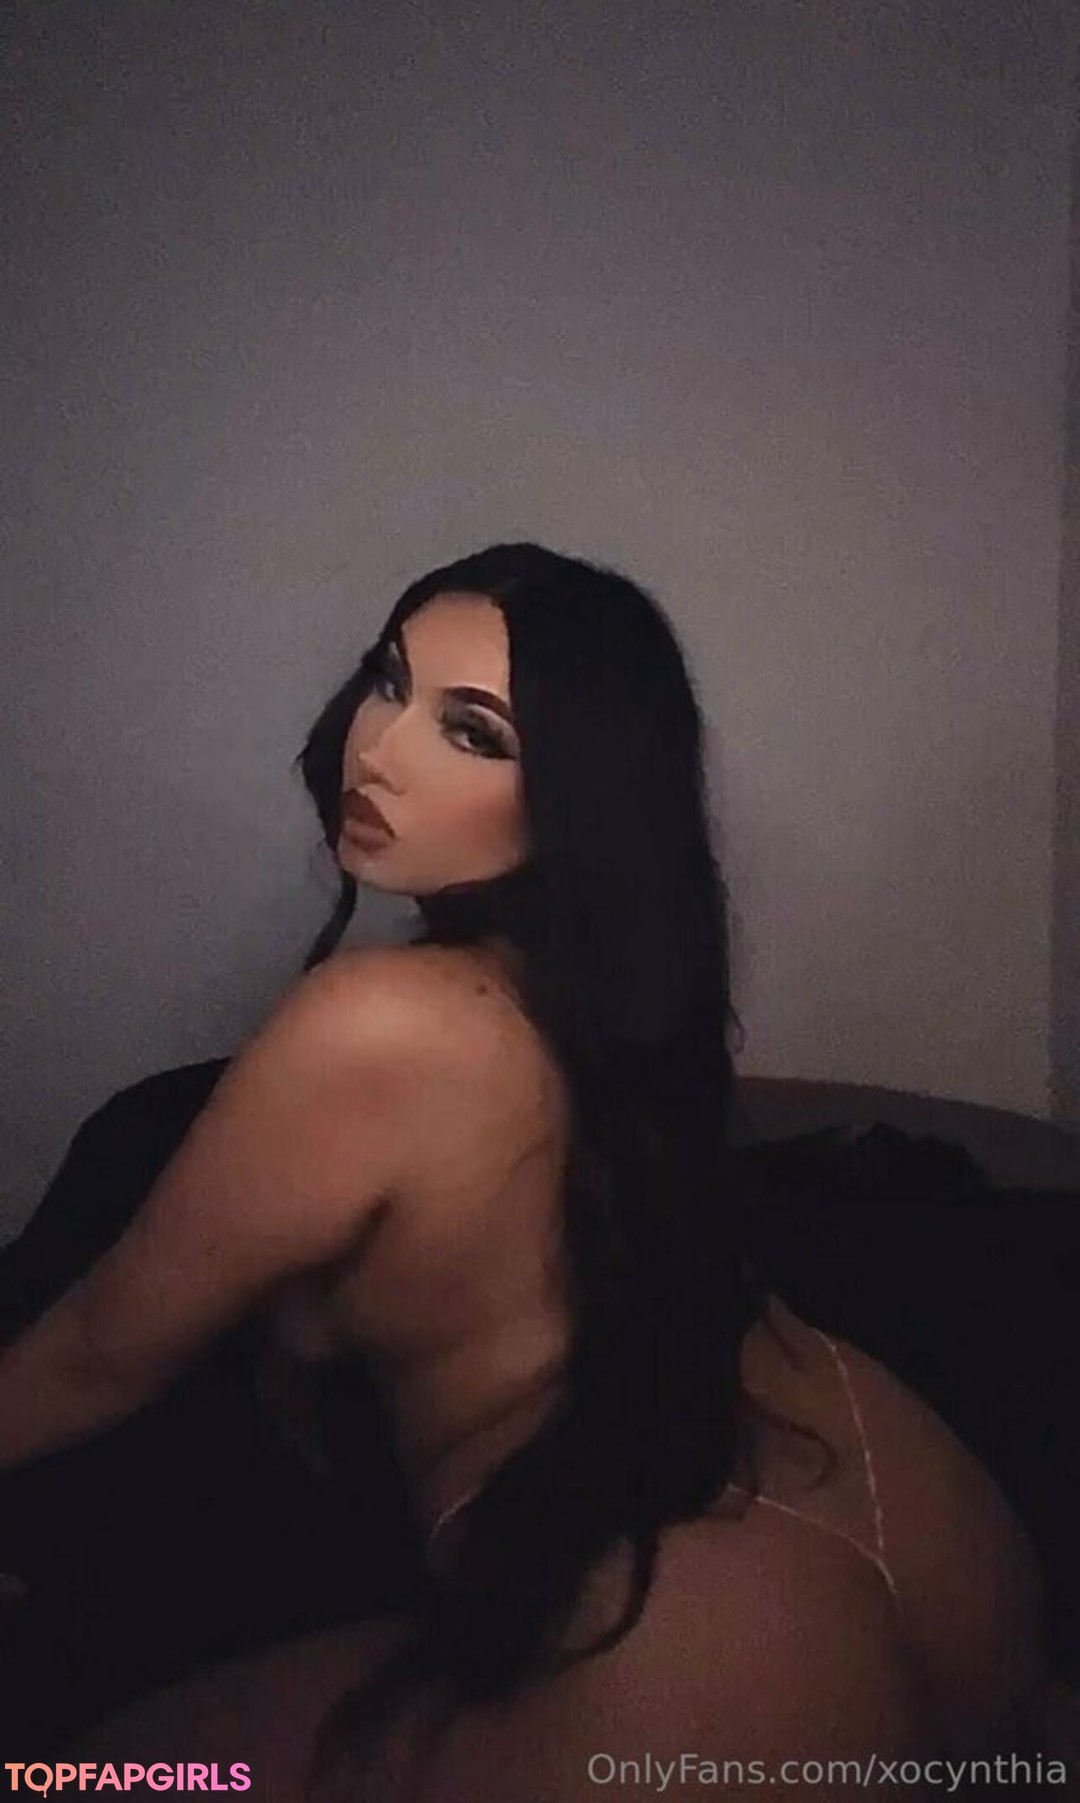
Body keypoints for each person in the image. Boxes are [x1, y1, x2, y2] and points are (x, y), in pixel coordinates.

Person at [2, 545, 1051, 1800]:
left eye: (472, 733)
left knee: (64, 1780)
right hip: (918, 1510)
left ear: (576, 792)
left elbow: (99, 1353)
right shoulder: (615, 998)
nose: (380, 750)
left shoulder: (374, 1025)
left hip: (699, 1644)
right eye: (389, 680)